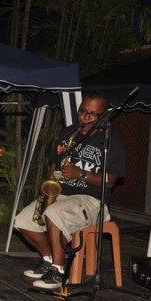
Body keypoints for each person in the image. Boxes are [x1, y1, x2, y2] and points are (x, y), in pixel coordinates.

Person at [13, 93, 126, 290]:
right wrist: (48, 187)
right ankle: (49, 260)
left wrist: (80, 174)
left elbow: (110, 181)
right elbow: (55, 163)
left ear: (104, 116)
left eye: (92, 114)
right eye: (82, 111)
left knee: (54, 213)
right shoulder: (68, 133)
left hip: (92, 199)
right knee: (22, 220)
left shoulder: (112, 142)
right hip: (62, 193)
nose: (85, 117)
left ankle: (58, 272)